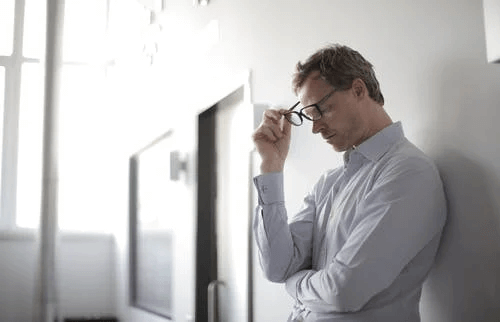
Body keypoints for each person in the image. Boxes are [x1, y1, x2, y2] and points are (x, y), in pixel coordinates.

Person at [251, 44, 447, 322]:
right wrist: (271, 165)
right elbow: (277, 267)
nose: (316, 128)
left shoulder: (409, 172)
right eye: (309, 116)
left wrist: (295, 284)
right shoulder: (329, 182)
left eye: (320, 110)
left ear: (358, 90)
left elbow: (343, 291)